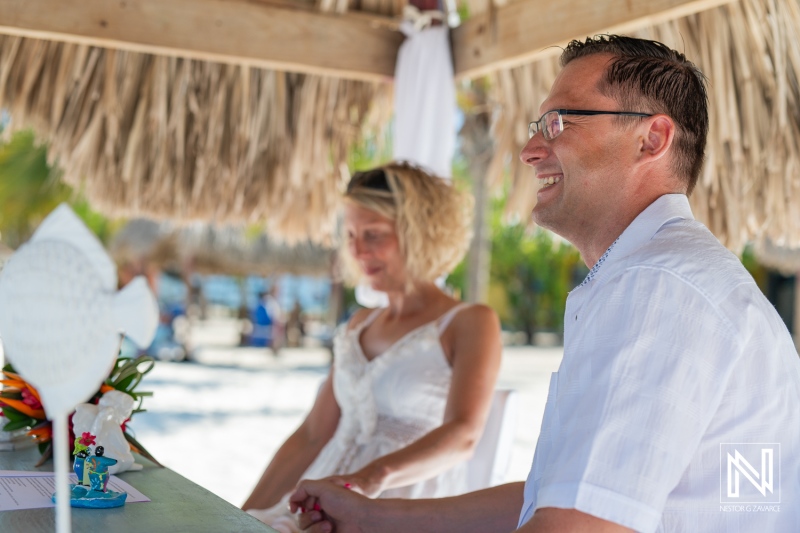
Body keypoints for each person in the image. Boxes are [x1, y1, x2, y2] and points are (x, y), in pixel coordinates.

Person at [288, 35, 800, 533]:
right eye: (539, 125)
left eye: (559, 122)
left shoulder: (655, 287)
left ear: (652, 138)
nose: (531, 150)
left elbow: (577, 526)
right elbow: (559, 497)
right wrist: (375, 518)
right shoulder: (673, 278)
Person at [242, 163, 503, 532]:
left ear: (421, 233)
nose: (358, 250)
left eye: (374, 234)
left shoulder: (469, 322)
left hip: (402, 507)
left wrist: (369, 478)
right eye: (350, 235)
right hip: (314, 504)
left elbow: (463, 436)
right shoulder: (358, 323)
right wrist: (240, 515)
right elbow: (311, 436)